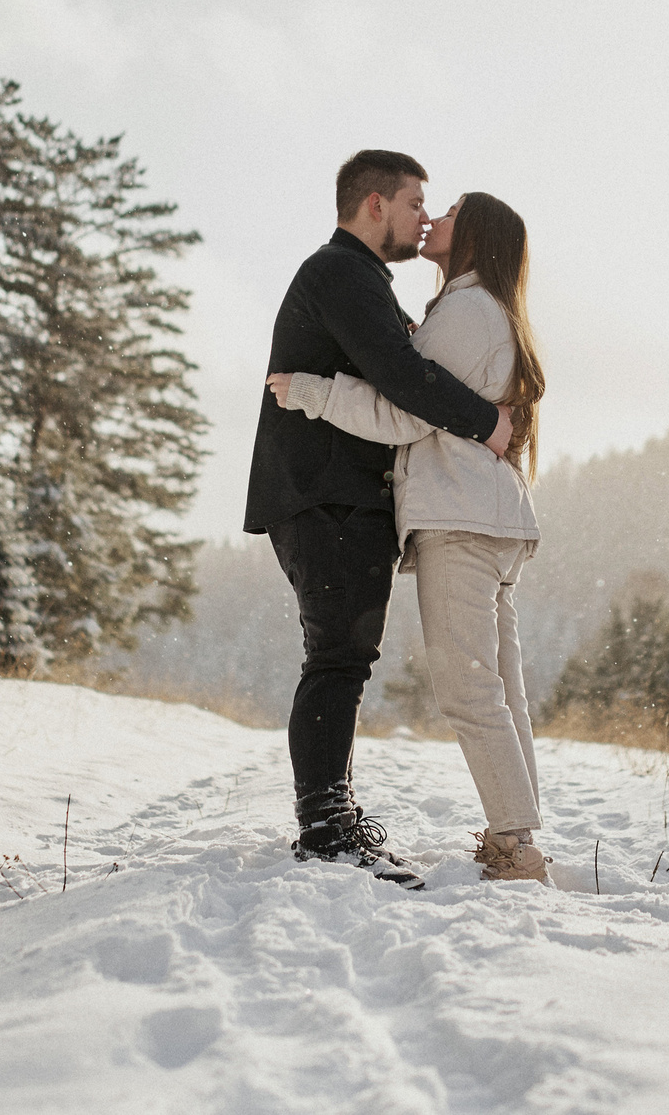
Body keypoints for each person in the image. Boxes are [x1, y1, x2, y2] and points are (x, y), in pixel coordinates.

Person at [245, 150, 515, 888]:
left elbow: (401, 365)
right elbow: (404, 380)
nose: (424, 215)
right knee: (337, 656)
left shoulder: (365, 285)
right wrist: (487, 420)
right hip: (325, 496)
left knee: (342, 656)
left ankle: (332, 816)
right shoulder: (341, 274)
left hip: (340, 498)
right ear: (374, 204)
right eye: (414, 201)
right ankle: (326, 827)